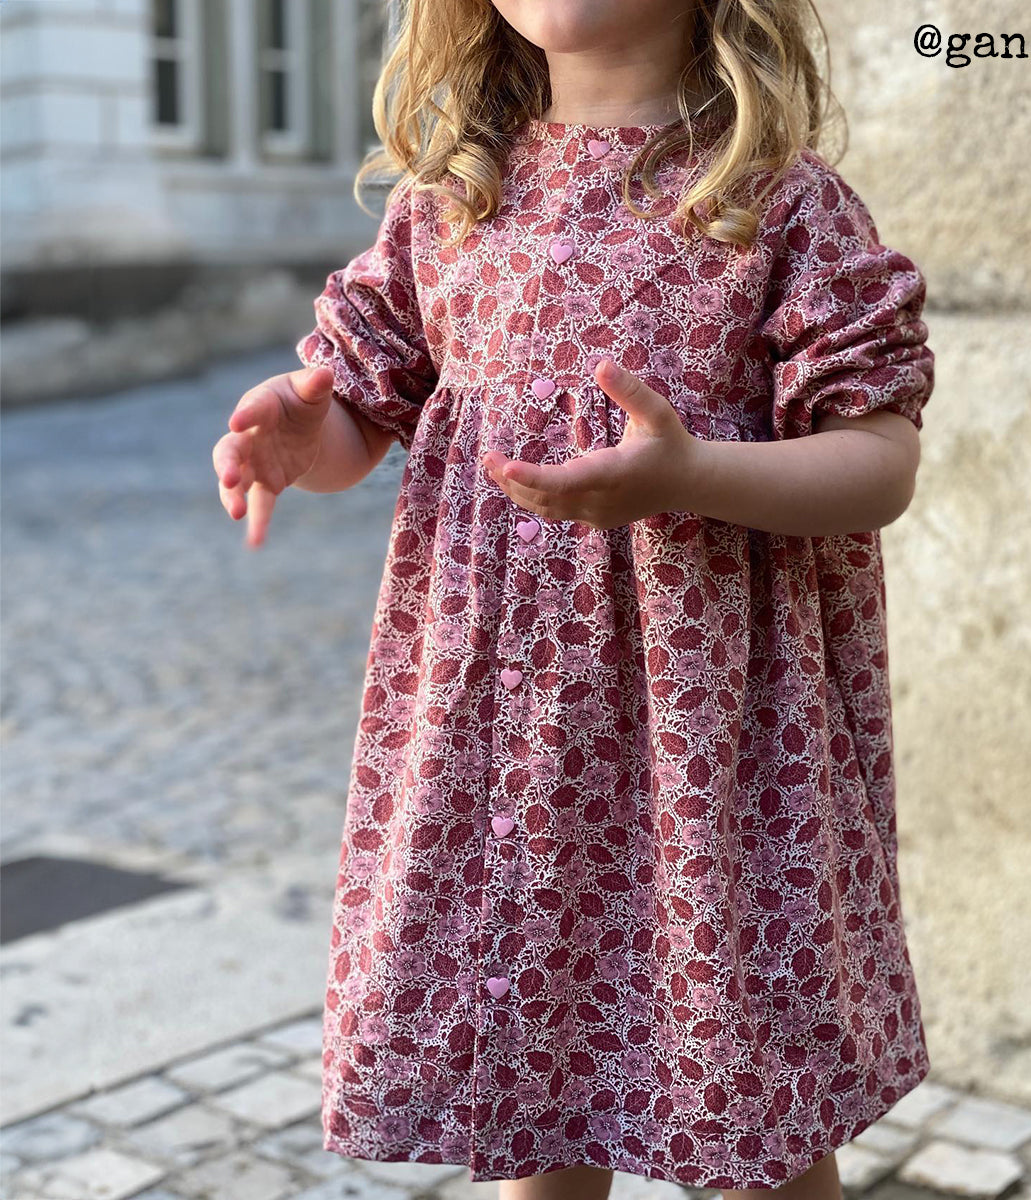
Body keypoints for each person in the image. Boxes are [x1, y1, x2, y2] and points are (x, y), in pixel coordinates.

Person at [212, 2, 936, 1198]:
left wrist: (692, 474)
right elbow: (364, 407)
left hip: (714, 764)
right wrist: (305, 441)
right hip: (510, 754)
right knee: (532, 1074)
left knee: (750, 1102)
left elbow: (879, 462)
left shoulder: (774, 203)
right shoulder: (454, 202)